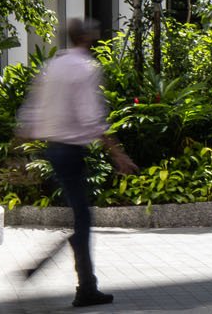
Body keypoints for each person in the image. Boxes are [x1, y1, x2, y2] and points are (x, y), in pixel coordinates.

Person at [17, 17, 136, 307]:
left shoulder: (54, 65)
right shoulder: (85, 68)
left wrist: (18, 145)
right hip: (71, 151)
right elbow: (89, 116)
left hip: (55, 150)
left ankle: (83, 281)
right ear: (86, 38)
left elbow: (34, 108)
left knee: (81, 216)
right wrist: (117, 153)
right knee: (83, 218)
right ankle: (85, 287)